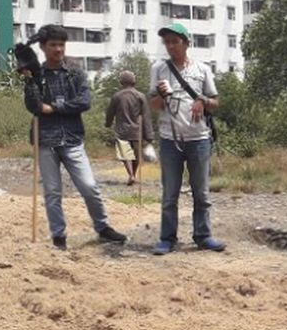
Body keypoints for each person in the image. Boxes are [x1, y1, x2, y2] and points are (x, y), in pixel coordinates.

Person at [22, 25, 127, 250]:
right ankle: (59, 237)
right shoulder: (36, 73)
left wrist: (55, 108)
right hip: (45, 140)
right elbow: (34, 106)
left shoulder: (75, 72)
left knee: (89, 186)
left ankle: (102, 228)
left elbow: (84, 102)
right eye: (53, 45)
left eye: (61, 44)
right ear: (43, 47)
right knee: (52, 192)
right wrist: (29, 80)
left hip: (72, 139)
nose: (58, 49)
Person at [149, 22, 225, 255]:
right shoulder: (158, 69)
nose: (171, 46)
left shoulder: (202, 69)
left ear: (186, 43)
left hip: (199, 139)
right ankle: (167, 238)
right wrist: (160, 95)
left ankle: (203, 236)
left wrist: (202, 100)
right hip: (169, 139)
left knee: (201, 193)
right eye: (167, 42)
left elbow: (216, 103)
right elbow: (153, 105)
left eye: (175, 41)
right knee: (170, 193)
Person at [105, 70, 154, 185]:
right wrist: (149, 135)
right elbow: (146, 116)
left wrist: (108, 123)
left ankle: (130, 175)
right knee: (136, 155)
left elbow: (110, 113)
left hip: (122, 130)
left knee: (125, 154)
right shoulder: (140, 96)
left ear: (121, 82)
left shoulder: (117, 96)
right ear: (134, 81)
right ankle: (134, 175)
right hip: (137, 131)